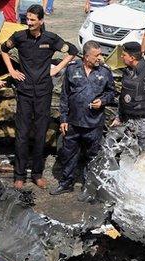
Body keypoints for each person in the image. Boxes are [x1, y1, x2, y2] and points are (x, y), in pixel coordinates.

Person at [1, 4, 77, 190]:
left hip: (43, 92)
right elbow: (3, 49)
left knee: (41, 133)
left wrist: (58, 68)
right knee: (22, 134)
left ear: (41, 21)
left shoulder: (50, 39)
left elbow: (73, 51)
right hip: (25, 92)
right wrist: (12, 70)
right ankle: (19, 175)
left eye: (33, 20)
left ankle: (37, 173)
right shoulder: (19, 36)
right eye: (27, 19)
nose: (29, 23)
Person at [52, 40, 114, 196]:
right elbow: (65, 96)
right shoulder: (72, 69)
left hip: (94, 123)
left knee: (92, 156)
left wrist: (103, 101)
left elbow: (111, 93)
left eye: (100, 54)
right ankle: (66, 183)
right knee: (68, 154)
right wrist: (63, 119)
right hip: (73, 122)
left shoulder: (105, 72)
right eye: (96, 55)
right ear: (86, 56)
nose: (100, 58)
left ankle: (88, 187)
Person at [114, 41, 145, 151]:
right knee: (129, 154)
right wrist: (119, 117)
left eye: (124, 55)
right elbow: (123, 97)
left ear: (132, 57)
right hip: (129, 122)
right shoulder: (127, 72)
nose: (122, 57)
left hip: (144, 124)